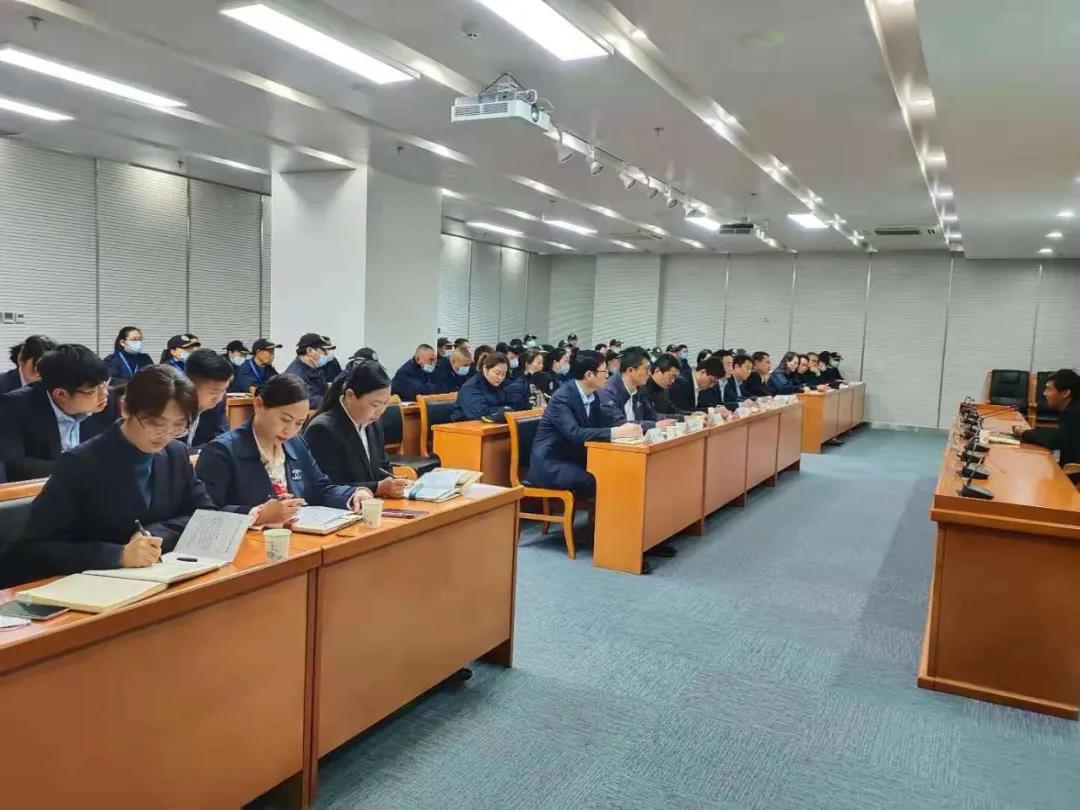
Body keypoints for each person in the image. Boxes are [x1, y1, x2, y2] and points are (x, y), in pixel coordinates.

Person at [9, 366, 217, 584]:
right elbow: (36, 548)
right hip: (95, 587)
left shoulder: (175, 453)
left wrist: (156, 533)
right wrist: (118, 555)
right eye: (156, 424)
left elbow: (205, 514)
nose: (166, 436)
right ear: (125, 408)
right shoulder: (80, 463)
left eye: (179, 427)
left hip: (161, 579)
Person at [195, 374, 367, 522]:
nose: (290, 430)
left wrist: (353, 494)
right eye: (285, 419)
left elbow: (319, 487)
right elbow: (205, 514)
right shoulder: (221, 451)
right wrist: (257, 514)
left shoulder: (295, 443)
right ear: (259, 405)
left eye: (299, 423)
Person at [527, 350, 642, 499]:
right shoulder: (562, 398)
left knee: (617, 470)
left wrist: (629, 428)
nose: (608, 375)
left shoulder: (593, 395)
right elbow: (574, 433)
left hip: (573, 457)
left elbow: (600, 425)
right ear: (589, 375)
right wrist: (615, 432)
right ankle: (600, 514)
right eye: (604, 371)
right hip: (550, 463)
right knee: (597, 479)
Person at [0, 344, 119, 481]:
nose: (104, 394)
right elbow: (14, 465)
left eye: (104, 385)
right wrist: (78, 468)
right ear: (61, 394)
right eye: (93, 391)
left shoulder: (107, 404)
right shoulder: (14, 407)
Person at [303, 360, 411, 499]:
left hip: (373, 503)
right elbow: (327, 486)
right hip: (343, 507)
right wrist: (377, 488)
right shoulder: (322, 429)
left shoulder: (373, 422)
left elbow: (382, 466)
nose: (380, 411)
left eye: (385, 404)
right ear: (350, 396)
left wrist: (394, 482)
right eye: (375, 404)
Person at [1013, 369, 1080, 483]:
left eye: (1049, 389)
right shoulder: (1069, 408)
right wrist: (1029, 432)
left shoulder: (1075, 412)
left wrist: (1024, 433)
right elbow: (1060, 435)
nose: (1044, 393)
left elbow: (1055, 440)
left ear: (1065, 393)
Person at [598, 346, 677, 430]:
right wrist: (654, 425)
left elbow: (652, 416)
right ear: (631, 370)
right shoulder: (608, 391)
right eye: (646, 369)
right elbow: (618, 423)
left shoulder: (639, 389)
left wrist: (679, 419)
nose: (649, 373)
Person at [452, 352, 527, 422]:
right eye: (497, 373)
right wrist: (504, 410)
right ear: (485, 369)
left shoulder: (504, 384)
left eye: (503, 374)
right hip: (467, 427)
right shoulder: (470, 387)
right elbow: (479, 412)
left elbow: (513, 403)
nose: (500, 377)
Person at [181, 349, 233, 449]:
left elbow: (223, 437)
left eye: (223, 390)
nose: (219, 398)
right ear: (190, 386)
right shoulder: (171, 403)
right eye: (213, 392)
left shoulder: (219, 402)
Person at [284, 333, 336, 409]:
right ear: (309, 351)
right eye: (324, 350)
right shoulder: (297, 376)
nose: (327, 354)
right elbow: (310, 404)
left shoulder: (314, 367)